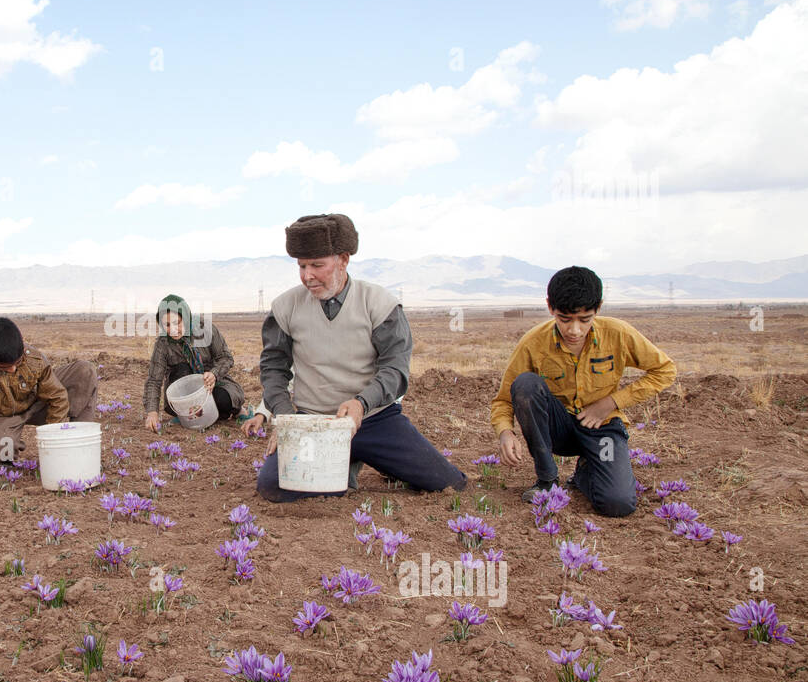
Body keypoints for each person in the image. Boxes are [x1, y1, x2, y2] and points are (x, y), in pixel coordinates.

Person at [243, 213, 466, 502]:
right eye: (301, 266)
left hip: (374, 419)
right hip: (314, 423)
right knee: (274, 487)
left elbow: (395, 369)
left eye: (317, 265)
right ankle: (343, 464)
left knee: (446, 484)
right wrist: (287, 418)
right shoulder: (285, 307)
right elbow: (274, 368)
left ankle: (360, 456)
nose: (307, 276)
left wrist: (362, 403)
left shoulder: (379, 304)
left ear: (343, 260)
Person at [490, 265, 676, 517]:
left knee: (617, 503)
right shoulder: (533, 343)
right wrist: (505, 432)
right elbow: (504, 399)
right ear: (549, 307)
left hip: (603, 428)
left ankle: (586, 471)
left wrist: (611, 402)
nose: (574, 330)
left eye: (585, 319)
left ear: (597, 308)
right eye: (564, 319)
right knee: (526, 384)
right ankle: (547, 480)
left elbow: (664, 370)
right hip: (559, 430)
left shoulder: (619, 334)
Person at [0, 317, 98, 485]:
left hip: (36, 405)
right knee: (1, 449)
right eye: (4, 367)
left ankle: (78, 445)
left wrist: (54, 442)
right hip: (3, 416)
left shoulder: (34, 359)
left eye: (17, 363)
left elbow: (57, 396)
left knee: (85, 371)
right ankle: (1, 460)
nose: (12, 369)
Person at [143, 294, 247, 433]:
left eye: (177, 322)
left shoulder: (204, 328)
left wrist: (214, 374)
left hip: (210, 383)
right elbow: (154, 380)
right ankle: (188, 415)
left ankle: (235, 411)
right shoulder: (163, 343)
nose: (173, 330)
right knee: (181, 369)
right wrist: (152, 413)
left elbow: (226, 357)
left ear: (186, 317)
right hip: (185, 390)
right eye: (167, 325)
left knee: (223, 400)